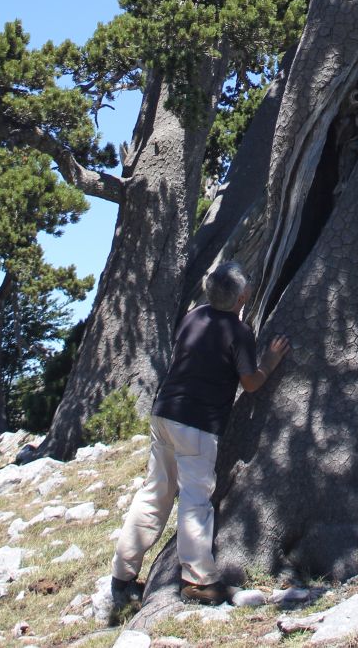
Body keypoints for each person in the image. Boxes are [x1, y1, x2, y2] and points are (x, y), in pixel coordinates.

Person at [110, 261, 290, 609]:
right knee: (195, 499)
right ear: (242, 297)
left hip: (165, 413)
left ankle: (122, 574)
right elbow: (251, 383)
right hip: (197, 423)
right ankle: (198, 581)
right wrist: (269, 362)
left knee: (155, 493)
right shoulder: (239, 333)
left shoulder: (193, 316)